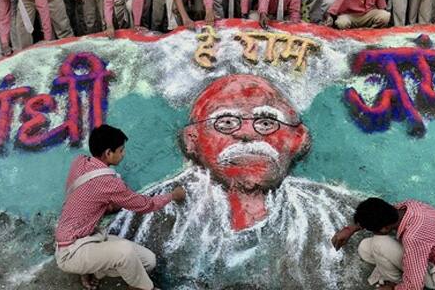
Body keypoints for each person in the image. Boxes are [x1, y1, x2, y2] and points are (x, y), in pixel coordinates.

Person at [109, 75, 362, 289]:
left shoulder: (334, 213)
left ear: (298, 138)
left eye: (266, 123)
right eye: (227, 122)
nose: (247, 133)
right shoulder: (147, 215)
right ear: (192, 139)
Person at [54, 124, 186, 290]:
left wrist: (108, 205)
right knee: (124, 252)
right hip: (70, 251)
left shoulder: (79, 162)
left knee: (148, 262)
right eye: (121, 150)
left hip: (89, 238)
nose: (123, 154)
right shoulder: (110, 183)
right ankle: (144, 288)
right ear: (109, 153)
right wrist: (172, 196)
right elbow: (145, 205)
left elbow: (88, 194)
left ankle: (93, 270)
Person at [331, 197, 435, 290]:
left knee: (378, 244)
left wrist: (394, 288)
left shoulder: (413, 238)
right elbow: (376, 214)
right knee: (365, 248)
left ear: (384, 229)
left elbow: (415, 286)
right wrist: (351, 229)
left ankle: (395, 281)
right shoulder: (407, 206)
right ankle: (400, 273)